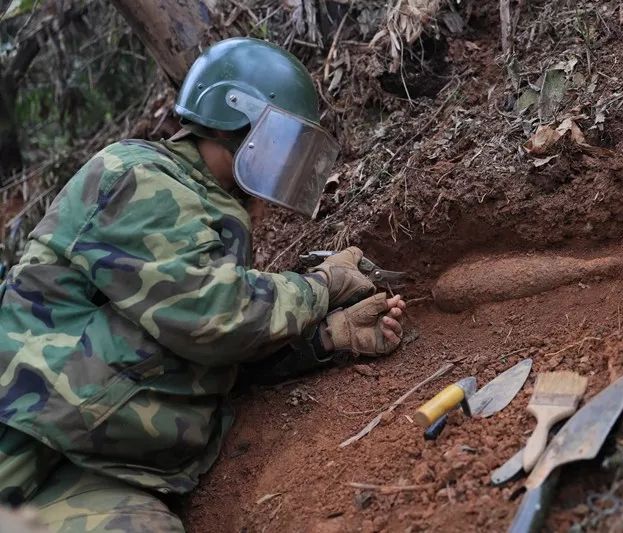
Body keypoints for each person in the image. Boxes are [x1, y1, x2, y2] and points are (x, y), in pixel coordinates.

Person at [0, 37, 405, 531]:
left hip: (110, 472)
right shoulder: (139, 175)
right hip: (25, 432)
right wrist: (322, 285)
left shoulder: (209, 211)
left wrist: (327, 339)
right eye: (282, 142)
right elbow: (216, 317)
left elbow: (199, 357)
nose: (283, 161)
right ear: (238, 120)